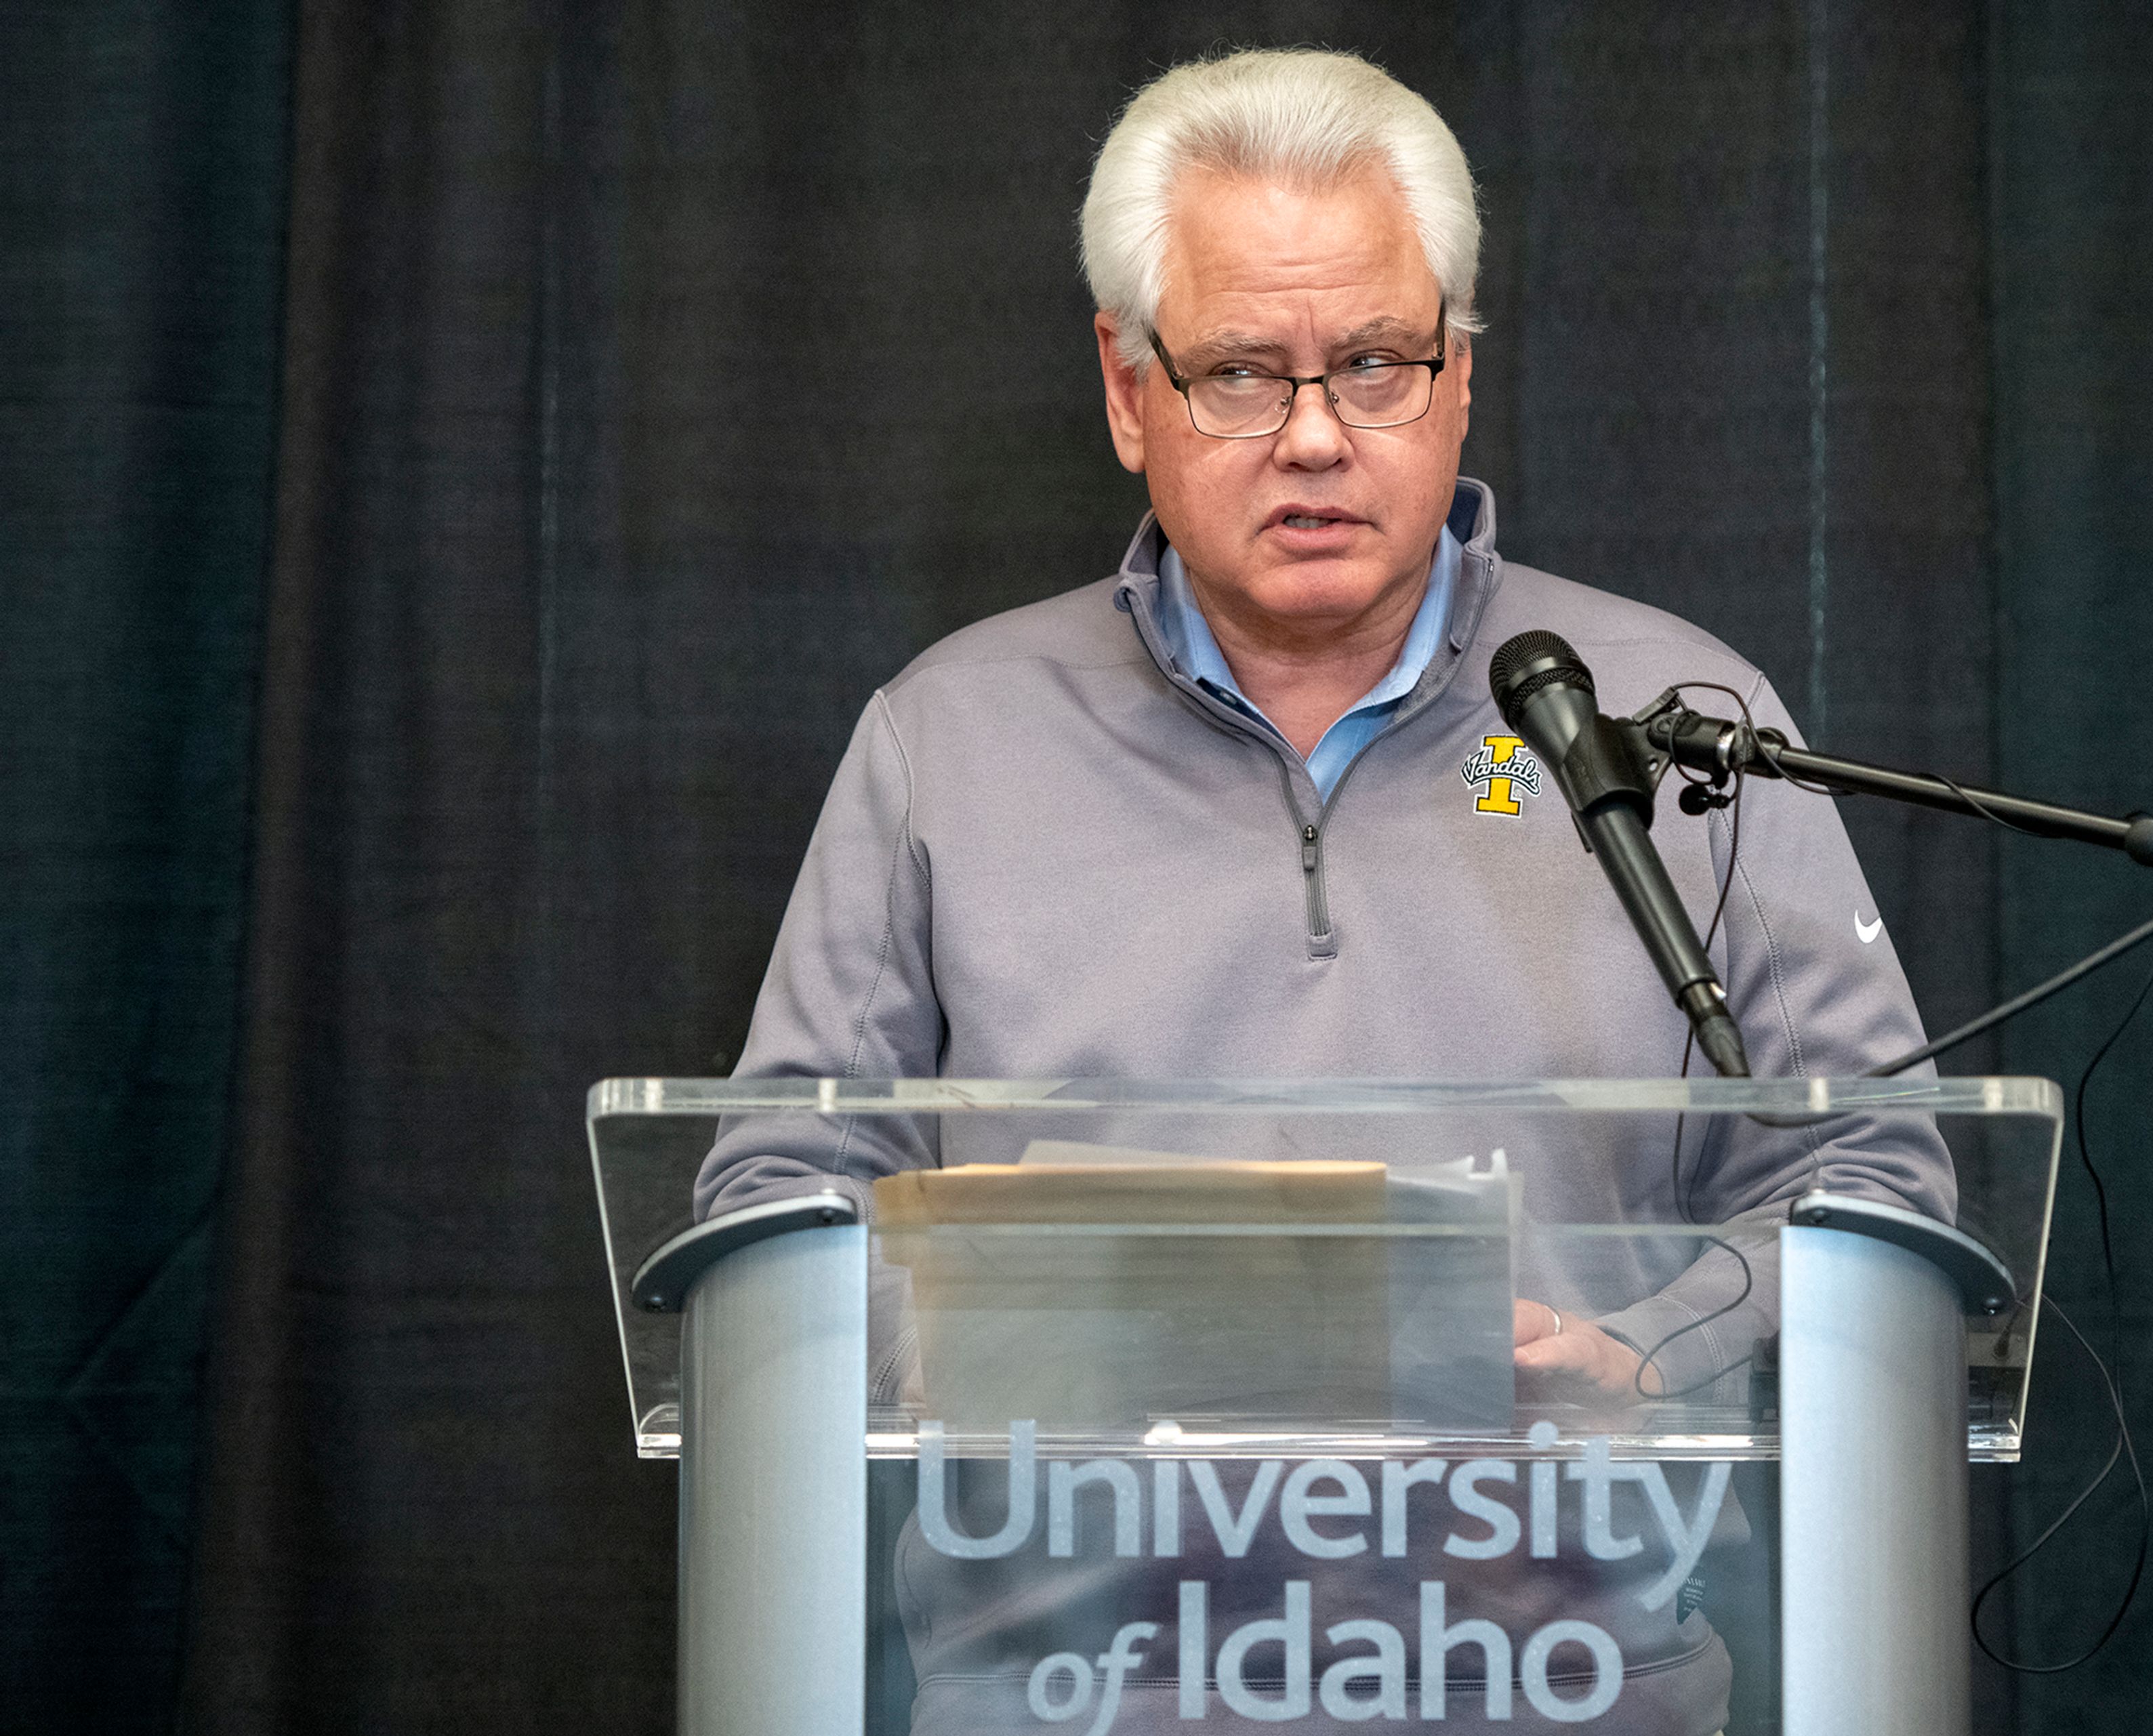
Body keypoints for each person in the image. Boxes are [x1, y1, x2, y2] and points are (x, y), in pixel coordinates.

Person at [699, 47, 1947, 1732]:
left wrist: (1643, 1349)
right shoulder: (948, 737)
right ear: (1128, 392)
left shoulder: (1675, 726)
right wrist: (994, 1339)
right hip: (1078, 1681)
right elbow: (781, 1188)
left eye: (1372, 364)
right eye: (1237, 372)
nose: (1312, 437)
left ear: (1459, 380)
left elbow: (1874, 1167)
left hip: (1569, 1677)